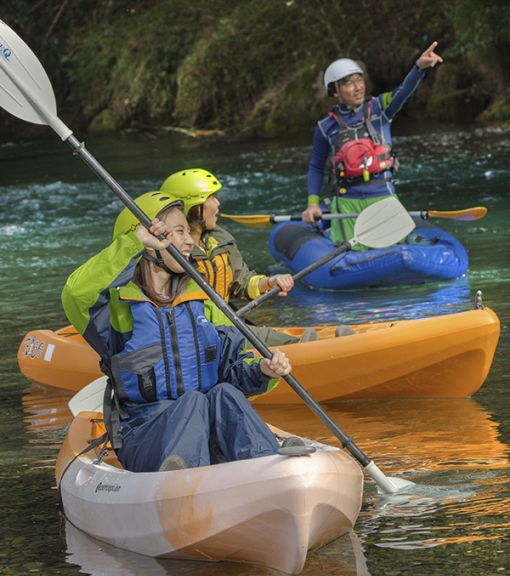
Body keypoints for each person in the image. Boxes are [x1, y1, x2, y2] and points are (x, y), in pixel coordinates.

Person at [61, 191, 303, 474]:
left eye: (188, 231)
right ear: (151, 240)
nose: (190, 241)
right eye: (179, 232)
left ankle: (268, 466)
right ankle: (183, 480)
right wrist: (132, 244)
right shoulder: (116, 308)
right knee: (193, 400)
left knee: (222, 393)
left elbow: (231, 367)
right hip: (144, 434)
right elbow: (75, 294)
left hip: (206, 435)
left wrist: (263, 370)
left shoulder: (201, 300)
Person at [303, 42, 443, 247]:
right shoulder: (325, 127)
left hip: (383, 197)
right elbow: (316, 166)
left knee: (395, 250)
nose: (358, 87)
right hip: (346, 201)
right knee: (350, 254)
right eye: (349, 83)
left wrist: (419, 67)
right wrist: (312, 204)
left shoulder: (381, 109)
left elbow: (403, 92)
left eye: (359, 80)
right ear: (335, 91)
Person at [160, 168, 323, 344]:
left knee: (261, 334)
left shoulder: (218, 240)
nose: (218, 204)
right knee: (272, 341)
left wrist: (270, 282)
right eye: (212, 197)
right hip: (199, 335)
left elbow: (241, 282)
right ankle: (307, 348)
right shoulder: (169, 254)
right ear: (194, 207)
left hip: (227, 326)